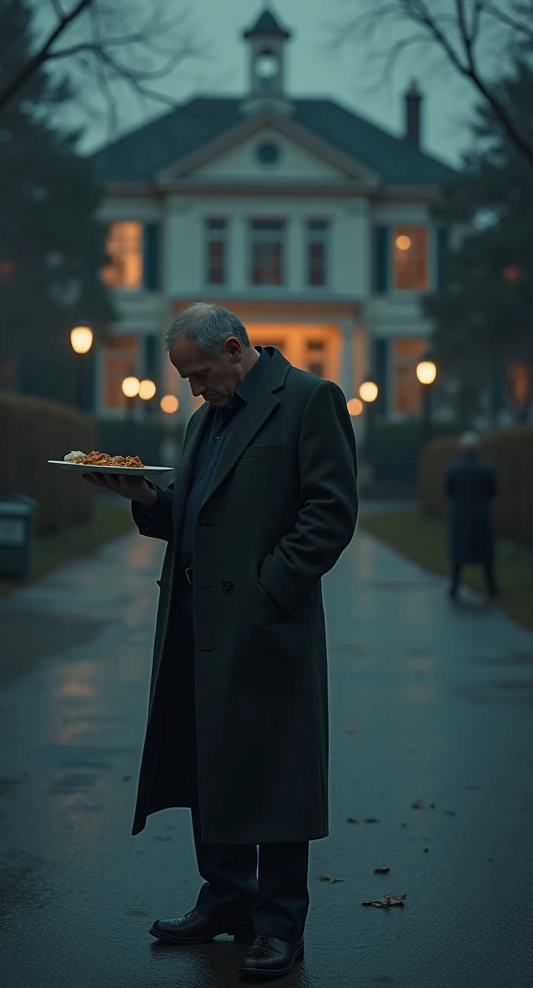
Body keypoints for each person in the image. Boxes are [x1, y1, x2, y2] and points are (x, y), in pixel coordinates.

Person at [83, 304, 358, 980]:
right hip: (197, 622)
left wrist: (271, 590)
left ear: (235, 349)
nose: (194, 390)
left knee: (278, 772)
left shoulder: (311, 399)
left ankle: (279, 926)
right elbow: (197, 515)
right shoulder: (205, 419)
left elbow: (331, 512)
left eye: (200, 374)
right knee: (214, 764)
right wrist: (146, 498)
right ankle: (228, 900)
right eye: (187, 379)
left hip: (268, 626)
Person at [445, 431, 498, 601]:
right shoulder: (487, 469)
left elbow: (448, 491)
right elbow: (493, 491)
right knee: (485, 554)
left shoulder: (454, 469)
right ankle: (491, 587)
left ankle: (454, 587)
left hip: (460, 516)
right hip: (481, 516)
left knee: (459, 554)